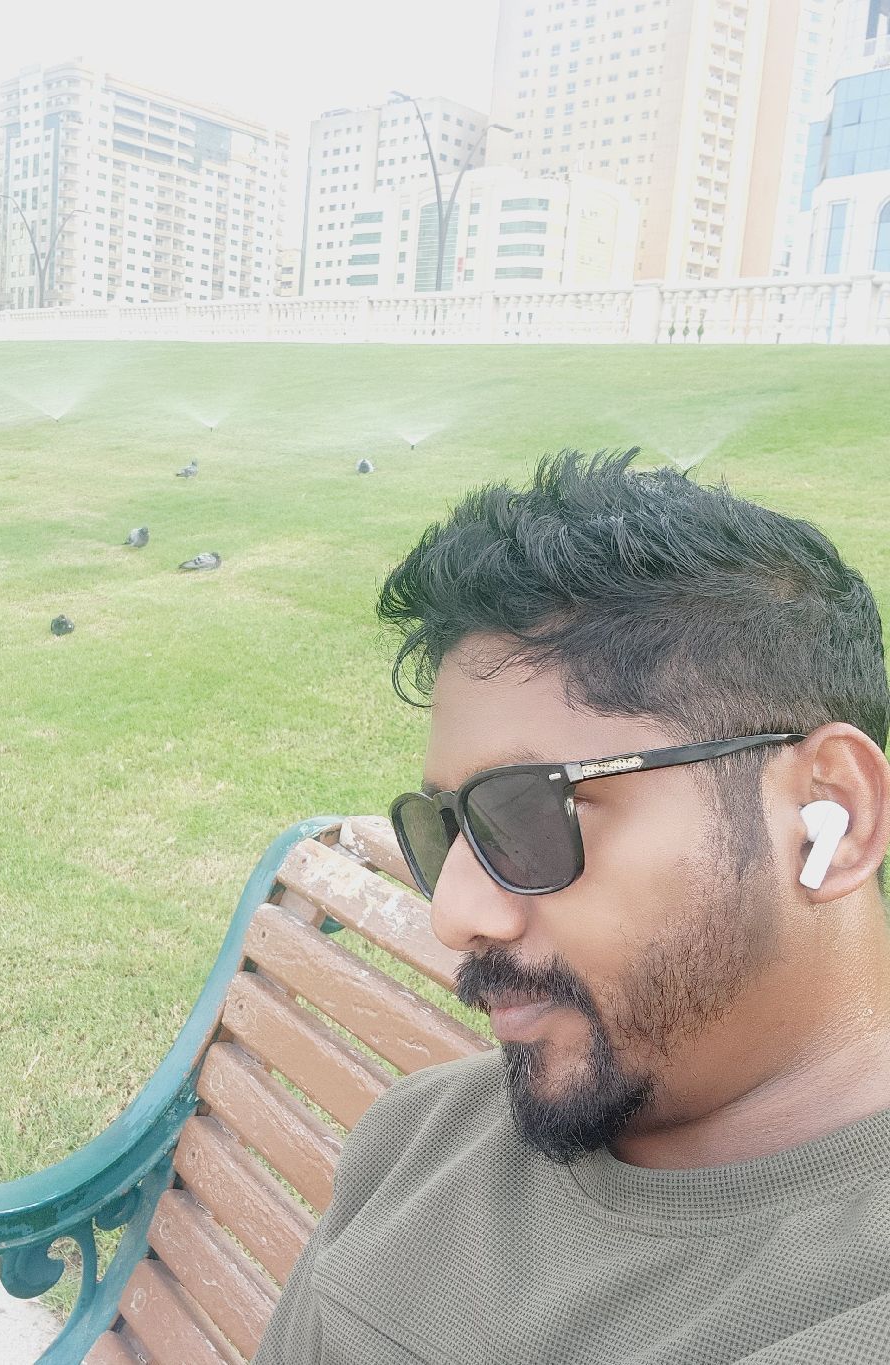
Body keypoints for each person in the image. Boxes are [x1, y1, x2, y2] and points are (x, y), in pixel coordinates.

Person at [253, 448, 890, 1364]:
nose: (455, 914)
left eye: (532, 812)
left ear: (832, 814)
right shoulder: (420, 1137)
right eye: (448, 826)